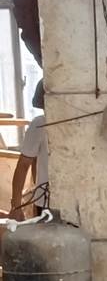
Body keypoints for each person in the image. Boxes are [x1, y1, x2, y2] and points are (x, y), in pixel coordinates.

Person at [9, 83, 48, 219]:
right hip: (46, 201)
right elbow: (24, 165)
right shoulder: (40, 124)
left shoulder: (40, 124)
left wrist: (16, 206)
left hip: (51, 201)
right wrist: (16, 206)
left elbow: (24, 165)